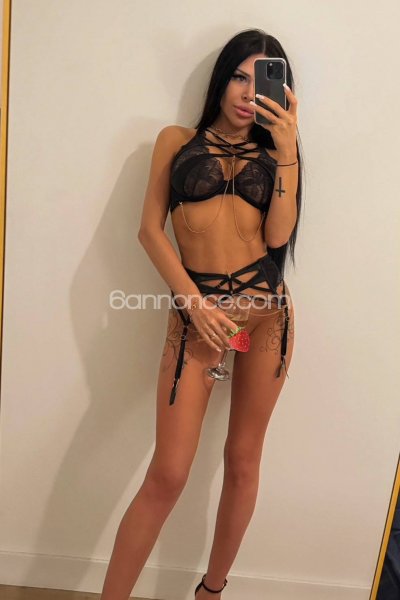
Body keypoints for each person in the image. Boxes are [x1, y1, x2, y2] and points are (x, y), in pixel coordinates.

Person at [100, 28, 303, 600]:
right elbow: (149, 230)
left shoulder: (277, 154)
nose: (247, 93)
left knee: (243, 460)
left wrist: (288, 149)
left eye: (262, 82)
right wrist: (193, 303)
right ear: (222, 78)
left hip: (267, 317)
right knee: (168, 474)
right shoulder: (177, 140)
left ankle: (210, 593)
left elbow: (278, 237)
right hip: (198, 318)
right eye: (239, 76)